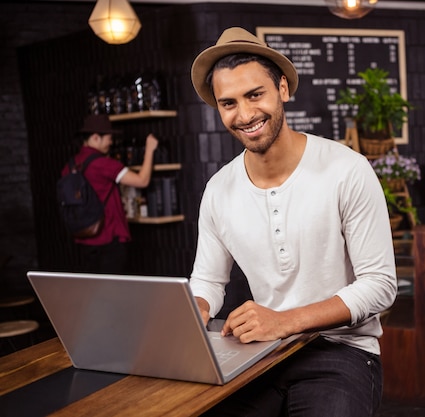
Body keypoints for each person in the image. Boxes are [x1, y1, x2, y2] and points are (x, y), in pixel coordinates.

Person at [189, 27, 397, 417]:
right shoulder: (218, 189)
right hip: (261, 355)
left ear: (282, 88)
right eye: (228, 103)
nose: (245, 114)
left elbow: (381, 286)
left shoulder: (347, 170)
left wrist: (284, 321)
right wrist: (195, 309)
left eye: (255, 95)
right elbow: (208, 281)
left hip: (343, 352)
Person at [61, 114, 158, 273]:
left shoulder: (71, 165)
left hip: (83, 238)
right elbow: (142, 180)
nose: (111, 142)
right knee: (114, 292)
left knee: (94, 292)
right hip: (109, 238)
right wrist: (149, 149)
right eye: (108, 138)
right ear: (95, 137)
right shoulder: (103, 164)